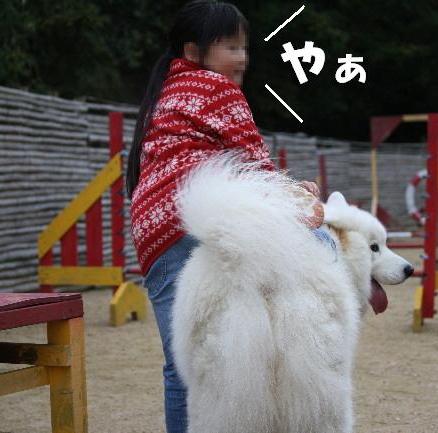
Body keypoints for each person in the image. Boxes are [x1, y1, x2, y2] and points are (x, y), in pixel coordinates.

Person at [125, 2, 328, 432]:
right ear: (193, 51)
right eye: (230, 47)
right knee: (322, 247)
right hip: (204, 225)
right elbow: (254, 165)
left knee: (182, 363)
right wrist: (299, 195)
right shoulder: (217, 88)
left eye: (244, 47)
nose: (242, 58)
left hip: (154, 235)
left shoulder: (164, 96)